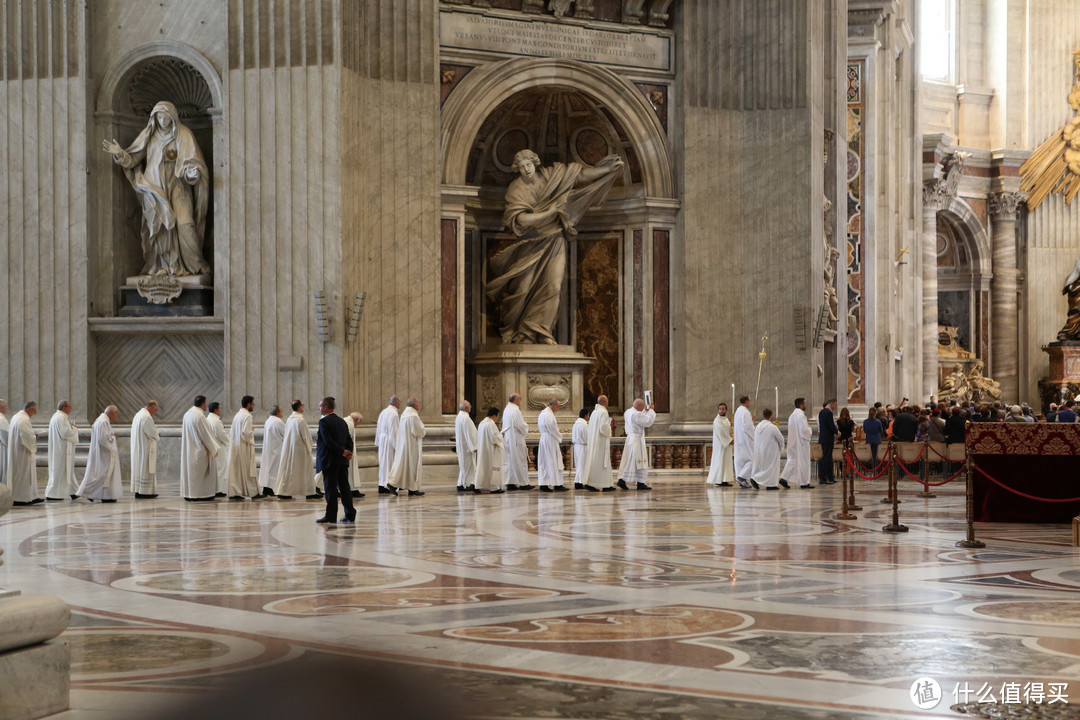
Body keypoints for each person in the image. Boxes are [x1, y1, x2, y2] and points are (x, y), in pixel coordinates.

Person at [486, 148, 623, 344]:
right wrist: (549, 213)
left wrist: (607, 170)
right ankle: (521, 334)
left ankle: (540, 332)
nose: (526, 170)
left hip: (555, 240)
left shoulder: (552, 175)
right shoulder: (516, 189)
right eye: (522, 167)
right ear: (517, 169)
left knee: (554, 287)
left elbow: (580, 174)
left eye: (529, 165)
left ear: (535, 163)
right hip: (529, 243)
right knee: (523, 289)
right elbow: (521, 220)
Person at [102, 100, 211, 276]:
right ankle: (163, 266)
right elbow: (132, 159)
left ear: (173, 117)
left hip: (177, 185)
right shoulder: (149, 135)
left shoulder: (184, 135)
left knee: (185, 224)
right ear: (154, 117)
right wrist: (120, 154)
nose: (162, 119)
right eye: (159, 116)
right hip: (154, 188)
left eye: (166, 116)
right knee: (159, 228)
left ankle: (195, 264)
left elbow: (194, 163)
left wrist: (192, 174)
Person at [315, 397, 355, 524]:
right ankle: (350, 514)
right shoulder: (342, 421)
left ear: (326, 407)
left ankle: (331, 516)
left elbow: (327, 441)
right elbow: (349, 439)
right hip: (342, 460)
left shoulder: (324, 422)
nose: (319, 408)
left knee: (330, 489)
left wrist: (341, 451)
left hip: (330, 460)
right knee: (344, 488)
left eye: (320, 406)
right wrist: (348, 451)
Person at [75, 406, 123, 502]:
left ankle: (104, 495)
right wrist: (113, 438)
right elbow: (102, 439)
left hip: (101, 452)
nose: (117, 416)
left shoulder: (101, 420)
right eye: (116, 413)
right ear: (111, 413)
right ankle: (91, 493)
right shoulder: (103, 422)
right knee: (103, 475)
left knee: (103, 475)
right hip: (103, 454)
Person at [180, 396, 220, 501]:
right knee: (200, 476)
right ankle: (201, 495)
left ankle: (190, 494)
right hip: (199, 450)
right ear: (203, 403)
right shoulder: (199, 416)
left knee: (191, 474)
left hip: (189, 450)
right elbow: (206, 435)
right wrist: (215, 448)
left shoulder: (187, 414)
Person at [277, 400, 316, 500]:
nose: (303, 408)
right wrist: (309, 446)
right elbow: (306, 437)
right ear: (299, 408)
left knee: (291, 471)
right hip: (300, 451)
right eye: (302, 406)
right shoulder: (300, 420)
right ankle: (309, 492)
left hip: (291, 449)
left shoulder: (290, 419)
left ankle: (285, 491)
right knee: (305, 471)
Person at [387, 397, 426, 496]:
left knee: (405, 466)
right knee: (410, 466)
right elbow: (419, 431)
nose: (419, 404)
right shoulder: (412, 416)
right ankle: (393, 484)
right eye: (418, 403)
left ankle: (411, 488)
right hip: (411, 444)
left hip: (404, 444)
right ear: (414, 405)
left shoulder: (405, 414)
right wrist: (423, 429)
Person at [7, 402, 41, 505]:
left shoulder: (16, 417)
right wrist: (34, 437)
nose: (33, 414)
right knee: (24, 475)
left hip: (18, 450)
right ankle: (21, 498)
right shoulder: (24, 419)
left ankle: (31, 496)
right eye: (34, 412)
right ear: (30, 409)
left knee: (22, 475)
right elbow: (26, 436)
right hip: (23, 452)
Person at [617, 398, 656, 491]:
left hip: (631, 439)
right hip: (636, 440)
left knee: (630, 460)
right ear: (639, 406)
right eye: (642, 407)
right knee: (635, 461)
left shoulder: (628, 412)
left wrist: (645, 410)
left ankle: (639, 482)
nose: (643, 409)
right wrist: (651, 410)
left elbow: (641, 415)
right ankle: (624, 480)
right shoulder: (636, 414)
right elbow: (648, 421)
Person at [227, 396, 259, 501]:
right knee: (248, 469)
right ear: (248, 404)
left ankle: (237, 492)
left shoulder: (237, 415)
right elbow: (245, 433)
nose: (253, 405)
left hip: (236, 446)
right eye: (253, 404)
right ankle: (253, 493)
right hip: (244, 447)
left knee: (238, 472)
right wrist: (251, 434)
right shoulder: (248, 416)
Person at [580, 395, 615, 492]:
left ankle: (596, 483)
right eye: (607, 401)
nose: (608, 403)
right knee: (602, 462)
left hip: (594, 441)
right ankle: (604, 485)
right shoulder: (603, 412)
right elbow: (603, 427)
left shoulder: (595, 412)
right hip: (601, 441)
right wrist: (609, 429)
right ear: (604, 402)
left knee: (596, 462)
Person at [45, 400, 79, 501]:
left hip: (59, 449)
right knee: (59, 472)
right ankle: (53, 494)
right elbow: (66, 433)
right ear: (64, 408)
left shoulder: (56, 416)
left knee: (67, 471)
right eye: (70, 407)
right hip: (61, 450)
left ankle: (74, 492)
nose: (71, 409)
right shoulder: (61, 417)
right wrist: (74, 429)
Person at [501, 393, 533, 491]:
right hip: (515, 438)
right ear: (516, 400)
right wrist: (526, 429)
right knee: (520, 460)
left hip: (507, 437)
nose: (520, 401)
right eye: (520, 399)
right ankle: (524, 483)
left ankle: (510, 482)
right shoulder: (515, 410)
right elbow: (520, 425)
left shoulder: (506, 409)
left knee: (510, 460)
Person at [130, 400, 161, 498]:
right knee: (145, 469)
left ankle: (139, 491)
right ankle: (145, 492)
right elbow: (152, 433)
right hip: (145, 449)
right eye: (155, 410)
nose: (155, 413)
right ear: (151, 407)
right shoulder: (146, 417)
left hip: (138, 449)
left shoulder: (138, 415)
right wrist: (157, 433)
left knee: (139, 469)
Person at [537, 399, 567, 492]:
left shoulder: (543, 413)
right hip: (550, 439)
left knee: (545, 462)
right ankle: (557, 484)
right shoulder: (549, 415)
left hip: (544, 438)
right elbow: (553, 428)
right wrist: (559, 437)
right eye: (557, 406)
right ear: (553, 405)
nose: (558, 408)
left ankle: (544, 484)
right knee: (553, 461)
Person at [751, 409, 785, 490]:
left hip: (760, 451)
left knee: (763, 467)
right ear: (771, 416)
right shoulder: (772, 427)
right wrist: (781, 447)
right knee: (771, 468)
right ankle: (771, 485)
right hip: (771, 451)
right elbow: (781, 439)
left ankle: (755, 478)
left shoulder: (758, 426)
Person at [780, 398, 811, 489]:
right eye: (805, 403)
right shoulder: (800, 416)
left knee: (793, 461)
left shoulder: (792, 415)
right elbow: (804, 430)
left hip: (793, 442)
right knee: (802, 462)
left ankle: (784, 478)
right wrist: (809, 429)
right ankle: (804, 482)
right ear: (801, 405)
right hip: (801, 443)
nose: (806, 405)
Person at [475, 407, 505, 494]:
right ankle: (494, 487)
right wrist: (502, 435)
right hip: (491, 450)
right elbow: (495, 437)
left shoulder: (482, 423)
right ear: (494, 415)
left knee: (482, 467)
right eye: (498, 416)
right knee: (493, 467)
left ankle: (479, 485)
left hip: (482, 448)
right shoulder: (491, 424)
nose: (497, 418)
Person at [375, 396, 401, 494]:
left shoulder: (384, 411)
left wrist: (378, 441)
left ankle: (382, 484)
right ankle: (387, 484)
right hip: (389, 441)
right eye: (400, 402)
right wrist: (397, 446)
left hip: (382, 439)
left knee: (383, 463)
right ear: (396, 403)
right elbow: (394, 431)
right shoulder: (393, 414)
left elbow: (378, 427)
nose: (400, 404)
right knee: (389, 463)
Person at [258, 406, 286, 497]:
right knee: (276, 470)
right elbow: (286, 433)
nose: (282, 412)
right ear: (277, 412)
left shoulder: (268, 420)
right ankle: (278, 490)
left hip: (270, 448)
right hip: (277, 449)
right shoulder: (278, 422)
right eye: (281, 411)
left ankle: (268, 489)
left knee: (269, 469)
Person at [706, 403, 734, 487]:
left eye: (723, 409)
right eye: (720, 409)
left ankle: (724, 480)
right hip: (720, 445)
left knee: (726, 462)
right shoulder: (717, 420)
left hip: (725, 445)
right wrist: (729, 440)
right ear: (718, 410)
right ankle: (718, 480)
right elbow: (721, 432)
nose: (722, 410)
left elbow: (728, 430)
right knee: (720, 461)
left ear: (726, 410)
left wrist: (731, 426)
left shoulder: (726, 419)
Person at [207, 402, 229, 498]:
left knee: (216, 469)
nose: (220, 410)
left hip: (213, 446)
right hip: (219, 447)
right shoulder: (216, 421)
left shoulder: (208, 419)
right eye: (220, 408)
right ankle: (218, 490)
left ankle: (214, 489)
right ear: (216, 410)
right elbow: (222, 435)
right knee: (220, 469)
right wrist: (229, 440)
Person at [454, 402, 477, 492]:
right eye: (470, 405)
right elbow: (470, 434)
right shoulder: (466, 418)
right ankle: (466, 484)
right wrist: (474, 446)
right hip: (467, 447)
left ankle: (460, 483)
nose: (471, 407)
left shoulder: (459, 417)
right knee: (468, 467)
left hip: (461, 446)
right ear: (467, 407)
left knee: (464, 466)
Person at [733, 395, 755, 488]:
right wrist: (755, 435)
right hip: (746, 439)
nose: (750, 403)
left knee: (741, 461)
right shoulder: (746, 412)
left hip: (739, 439)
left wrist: (751, 420)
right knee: (752, 459)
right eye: (749, 401)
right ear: (746, 401)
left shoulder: (738, 411)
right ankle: (742, 477)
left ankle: (743, 482)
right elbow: (748, 427)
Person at [817, 399, 838, 484]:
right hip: (827, 439)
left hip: (823, 438)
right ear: (831, 403)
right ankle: (824, 478)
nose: (835, 407)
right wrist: (837, 432)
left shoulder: (822, 412)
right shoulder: (828, 413)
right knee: (827, 458)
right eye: (835, 405)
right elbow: (831, 425)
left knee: (827, 458)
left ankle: (829, 477)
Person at [345, 412, 364, 498]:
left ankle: (352, 489)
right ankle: (351, 489)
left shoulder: (346, 420)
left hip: (347, 449)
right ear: (356, 420)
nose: (358, 425)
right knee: (350, 470)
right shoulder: (350, 424)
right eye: (359, 422)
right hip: (348, 450)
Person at [572, 408, 590, 490]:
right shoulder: (584, 425)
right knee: (583, 465)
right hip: (583, 446)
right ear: (586, 415)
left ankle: (578, 482)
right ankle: (583, 482)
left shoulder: (576, 423)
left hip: (576, 446)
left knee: (579, 465)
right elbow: (587, 438)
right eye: (588, 415)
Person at [0, 399, 9, 488]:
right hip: (3, 448)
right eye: (5, 406)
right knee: (4, 470)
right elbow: (6, 437)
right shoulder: (1, 419)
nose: (7, 408)